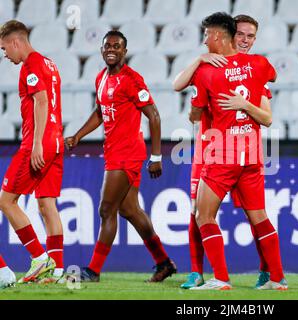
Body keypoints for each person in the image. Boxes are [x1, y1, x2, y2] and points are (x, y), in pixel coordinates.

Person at [65, 31, 176, 283]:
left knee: (106, 209)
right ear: (102, 50)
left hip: (127, 153)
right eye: (107, 46)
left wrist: (156, 156)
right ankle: (164, 262)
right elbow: (101, 111)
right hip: (113, 150)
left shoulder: (132, 80)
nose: (111, 50)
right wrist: (78, 135)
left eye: (117, 46)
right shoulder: (101, 78)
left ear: (125, 51)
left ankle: (93, 271)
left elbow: (154, 116)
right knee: (130, 210)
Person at [173, 15, 274, 290]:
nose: (244, 40)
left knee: (254, 215)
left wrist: (242, 105)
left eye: (250, 36)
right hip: (207, 148)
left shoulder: (255, 70)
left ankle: (265, 271)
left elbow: (266, 117)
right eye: (240, 34)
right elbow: (193, 114)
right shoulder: (210, 67)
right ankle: (197, 272)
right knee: (198, 210)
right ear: (230, 36)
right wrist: (201, 59)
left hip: (235, 151)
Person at [0, 20, 65, 284]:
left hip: (39, 142)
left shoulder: (31, 65)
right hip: (56, 140)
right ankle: (57, 271)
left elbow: (41, 101)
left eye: (4, 48)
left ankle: (39, 258)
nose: (5, 54)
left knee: (5, 200)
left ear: (16, 42)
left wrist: (37, 143)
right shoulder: (50, 63)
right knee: (46, 203)